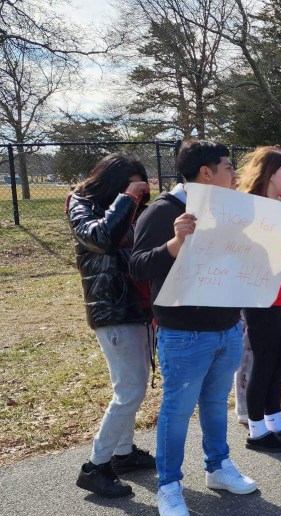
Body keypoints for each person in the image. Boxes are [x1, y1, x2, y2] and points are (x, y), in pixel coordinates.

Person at [130, 140, 257, 516]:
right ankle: (168, 484)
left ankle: (218, 466)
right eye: (228, 167)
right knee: (178, 410)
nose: (234, 175)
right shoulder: (164, 210)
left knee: (216, 404)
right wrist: (174, 243)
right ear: (206, 173)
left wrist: (279, 249)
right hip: (184, 333)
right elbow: (137, 267)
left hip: (227, 327)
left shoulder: (230, 212)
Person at [68, 154, 155, 498]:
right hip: (112, 308)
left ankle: (122, 453)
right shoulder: (81, 203)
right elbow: (101, 238)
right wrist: (129, 198)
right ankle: (96, 466)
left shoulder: (127, 211)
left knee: (133, 383)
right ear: (112, 183)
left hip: (136, 306)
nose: (137, 191)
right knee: (129, 389)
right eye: (129, 183)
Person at [235, 147, 281, 446]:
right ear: (268, 173)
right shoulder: (248, 207)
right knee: (264, 362)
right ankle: (256, 429)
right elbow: (241, 252)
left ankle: (275, 421)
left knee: (280, 359)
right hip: (263, 296)